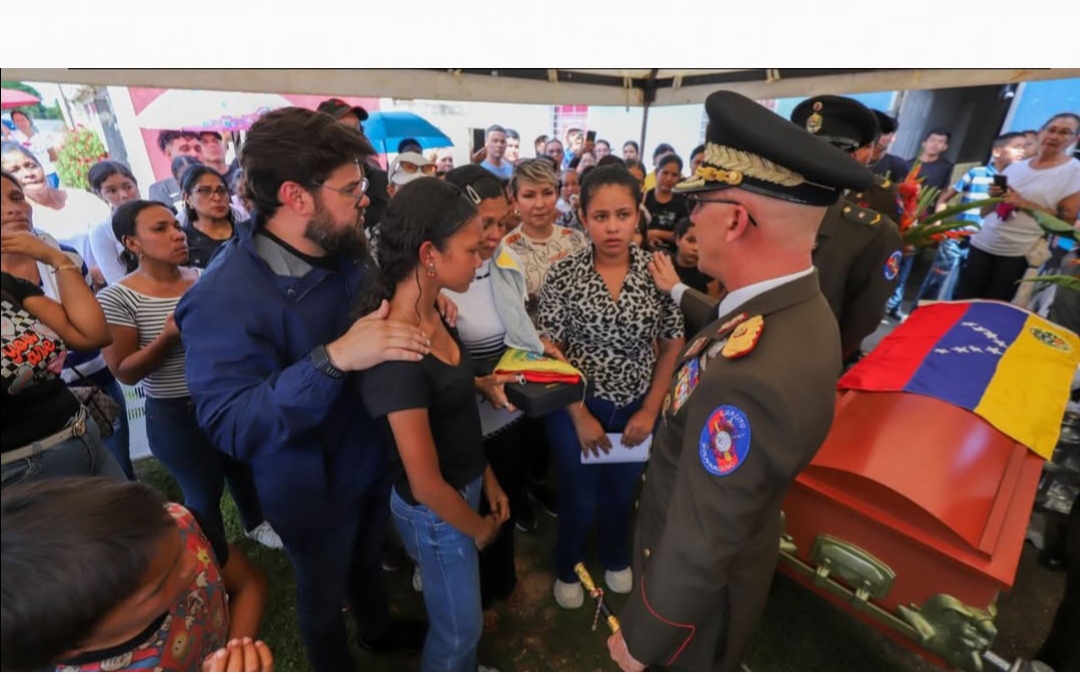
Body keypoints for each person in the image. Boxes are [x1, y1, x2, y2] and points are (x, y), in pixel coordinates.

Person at [606, 89, 873, 672]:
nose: (690, 213)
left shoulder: (750, 380)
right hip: (723, 565)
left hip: (691, 609)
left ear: (734, 219)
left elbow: (703, 536)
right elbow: (730, 328)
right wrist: (679, 291)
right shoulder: (796, 306)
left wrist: (648, 637)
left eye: (701, 201)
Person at [175, 107, 429, 670]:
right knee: (321, 588)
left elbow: (376, 295)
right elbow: (232, 423)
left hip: (367, 454)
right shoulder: (222, 296)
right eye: (350, 188)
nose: (364, 197)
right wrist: (334, 358)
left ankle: (378, 631)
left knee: (366, 559)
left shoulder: (342, 246)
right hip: (308, 485)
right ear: (295, 196)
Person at [357, 177, 508, 671]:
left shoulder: (435, 307)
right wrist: (479, 530)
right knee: (459, 625)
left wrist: (484, 477)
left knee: (459, 613)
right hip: (438, 512)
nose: (480, 257)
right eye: (470, 248)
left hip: (460, 489)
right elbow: (423, 483)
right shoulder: (397, 351)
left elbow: (457, 408)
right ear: (428, 253)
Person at [538, 165, 685, 609]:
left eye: (623, 214)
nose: (613, 227)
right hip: (576, 407)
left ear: (638, 213)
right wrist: (580, 414)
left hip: (638, 405)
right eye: (601, 216)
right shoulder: (563, 275)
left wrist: (649, 410)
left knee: (623, 494)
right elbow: (548, 346)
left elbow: (672, 343)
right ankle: (567, 564)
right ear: (582, 217)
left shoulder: (657, 270)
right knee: (580, 497)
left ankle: (616, 555)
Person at [98, 199, 277, 549]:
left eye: (176, 226)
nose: (177, 235)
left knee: (242, 469)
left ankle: (256, 522)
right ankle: (212, 567)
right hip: (176, 412)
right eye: (160, 229)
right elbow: (125, 371)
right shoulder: (118, 297)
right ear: (132, 243)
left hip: (226, 398)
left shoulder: (202, 277)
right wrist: (167, 337)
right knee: (203, 492)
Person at [0, 477, 269, 672]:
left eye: (177, 544)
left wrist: (235, 653)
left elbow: (248, 584)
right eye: (158, 586)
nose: (191, 563)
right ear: (73, 643)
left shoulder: (181, 526)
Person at [442, 164, 539, 620]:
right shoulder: (440, 277)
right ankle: (474, 592)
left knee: (508, 494)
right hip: (463, 417)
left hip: (508, 410)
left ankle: (504, 577)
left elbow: (519, 329)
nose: (498, 234)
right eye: (487, 224)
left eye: (505, 221)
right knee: (471, 508)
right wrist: (479, 381)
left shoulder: (505, 260)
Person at [1, 171, 122, 487]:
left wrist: (57, 259)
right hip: (19, 467)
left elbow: (92, 336)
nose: (13, 208)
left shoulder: (9, 285)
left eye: (16, 198)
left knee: (137, 530)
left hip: (79, 432)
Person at [789, 95, 903, 358]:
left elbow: (865, 314)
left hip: (812, 356)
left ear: (854, 155)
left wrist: (826, 357)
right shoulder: (764, 207)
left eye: (827, 151)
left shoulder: (873, 231)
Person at [956, 113, 1080, 301]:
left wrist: (1023, 203)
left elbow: (1066, 221)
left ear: (1075, 139)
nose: (1055, 136)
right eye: (1051, 130)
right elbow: (985, 212)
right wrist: (995, 197)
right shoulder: (1016, 167)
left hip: (1018, 253)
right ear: (1041, 132)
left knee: (994, 311)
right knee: (962, 302)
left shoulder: (1074, 171)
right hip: (983, 243)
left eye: (1064, 132)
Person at [921, 132, 1028, 301]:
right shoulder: (976, 173)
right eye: (1016, 147)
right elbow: (944, 199)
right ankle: (919, 315)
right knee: (938, 280)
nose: (1022, 152)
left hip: (983, 244)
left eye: (1025, 148)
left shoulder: (1017, 181)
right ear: (997, 151)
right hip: (957, 238)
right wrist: (938, 225)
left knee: (963, 287)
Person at [497, 159, 588, 315]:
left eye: (547, 193)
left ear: (557, 194)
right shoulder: (505, 250)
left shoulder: (575, 239)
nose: (540, 204)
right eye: (529, 195)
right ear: (515, 201)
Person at [1, 142, 110, 269]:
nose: (28, 173)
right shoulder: (21, 219)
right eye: (15, 170)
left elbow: (112, 235)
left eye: (31, 165)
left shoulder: (82, 199)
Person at [87, 160, 141, 284]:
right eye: (112, 191)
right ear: (100, 195)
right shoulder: (102, 232)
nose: (124, 195)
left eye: (128, 187)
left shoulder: (160, 214)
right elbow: (118, 281)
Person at [180, 165, 237, 269]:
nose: (217, 197)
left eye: (221, 190)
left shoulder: (245, 232)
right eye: (205, 191)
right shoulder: (183, 242)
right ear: (188, 198)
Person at [643, 153, 689, 250]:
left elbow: (684, 235)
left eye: (674, 175)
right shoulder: (644, 198)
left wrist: (656, 233)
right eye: (665, 173)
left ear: (679, 177)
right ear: (656, 173)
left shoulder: (682, 203)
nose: (669, 178)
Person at [148, 131, 202, 208]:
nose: (194, 154)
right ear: (168, 154)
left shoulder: (218, 179)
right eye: (185, 149)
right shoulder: (161, 190)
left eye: (198, 149)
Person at [9, 109, 61, 187]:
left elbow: (53, 156)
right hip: (28, 177)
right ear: (14, 123)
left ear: (29, 120)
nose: (20, 123)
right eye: (17, 120)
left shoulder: (43, 137)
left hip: (48, 174)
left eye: (22, 119)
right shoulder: (13, 139)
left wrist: (44, 163)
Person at [671, 217, 721, 297]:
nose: (696, 248)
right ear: (678, 240)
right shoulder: (667, 266)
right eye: (690, 240)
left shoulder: (709, 274)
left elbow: (711, 305)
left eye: (702, 242)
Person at [869, 110, 908, 181]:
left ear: (893, 137)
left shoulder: (897, 165)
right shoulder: (853, 155)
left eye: (884, 133)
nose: (878, 136)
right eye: (876, 131)